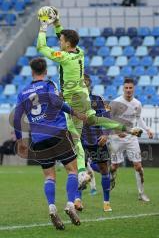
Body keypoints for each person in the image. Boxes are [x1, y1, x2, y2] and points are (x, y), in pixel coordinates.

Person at [36, 6, 139, 190]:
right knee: (95, 119)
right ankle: (129, 129)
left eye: (60, 40)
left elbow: (41, 47)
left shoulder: (64, 57)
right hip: (84, 95)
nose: (59, 42)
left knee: (76, 139)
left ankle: (82, 172)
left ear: (67, 44)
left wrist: (44, 26)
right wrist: (58, 23)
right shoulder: (79, 52)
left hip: (73, 100)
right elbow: (65, 36)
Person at [13, 57, 88, 230]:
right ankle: (70, 205)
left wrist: (19, 140)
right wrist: (75, 113)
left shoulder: (23, 92)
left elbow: (17, 119)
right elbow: (57, 102)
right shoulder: (49, 85)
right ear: (45, 71)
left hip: (38, 139)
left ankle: (52, 207)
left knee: (49, 176)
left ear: (31, 72)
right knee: (72, 170)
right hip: (58, 133)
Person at [109, 78, 153, 202]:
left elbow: (139, 119)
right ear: (123, 88)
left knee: (138, 166)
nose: (128, 90)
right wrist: (117, 131)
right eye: (126, 88)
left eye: (130, 88)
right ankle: (112, 176)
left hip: (131, 138)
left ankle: (141, 193)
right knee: (114, 166)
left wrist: (147, 129)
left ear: (134, 89)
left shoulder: (137, 103)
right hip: (116, 138)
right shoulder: (116, 102)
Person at [74, 74, 112, 212]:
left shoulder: (98, 99)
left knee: (104, 170)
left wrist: (106, 135)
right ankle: (78, 200)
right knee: (79, 171)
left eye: (86, 81)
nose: (84, 83)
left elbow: (107, 118)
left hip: (97, 140)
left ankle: (106, 202)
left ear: (89, 83)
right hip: (81, 141)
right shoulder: (74, 101)